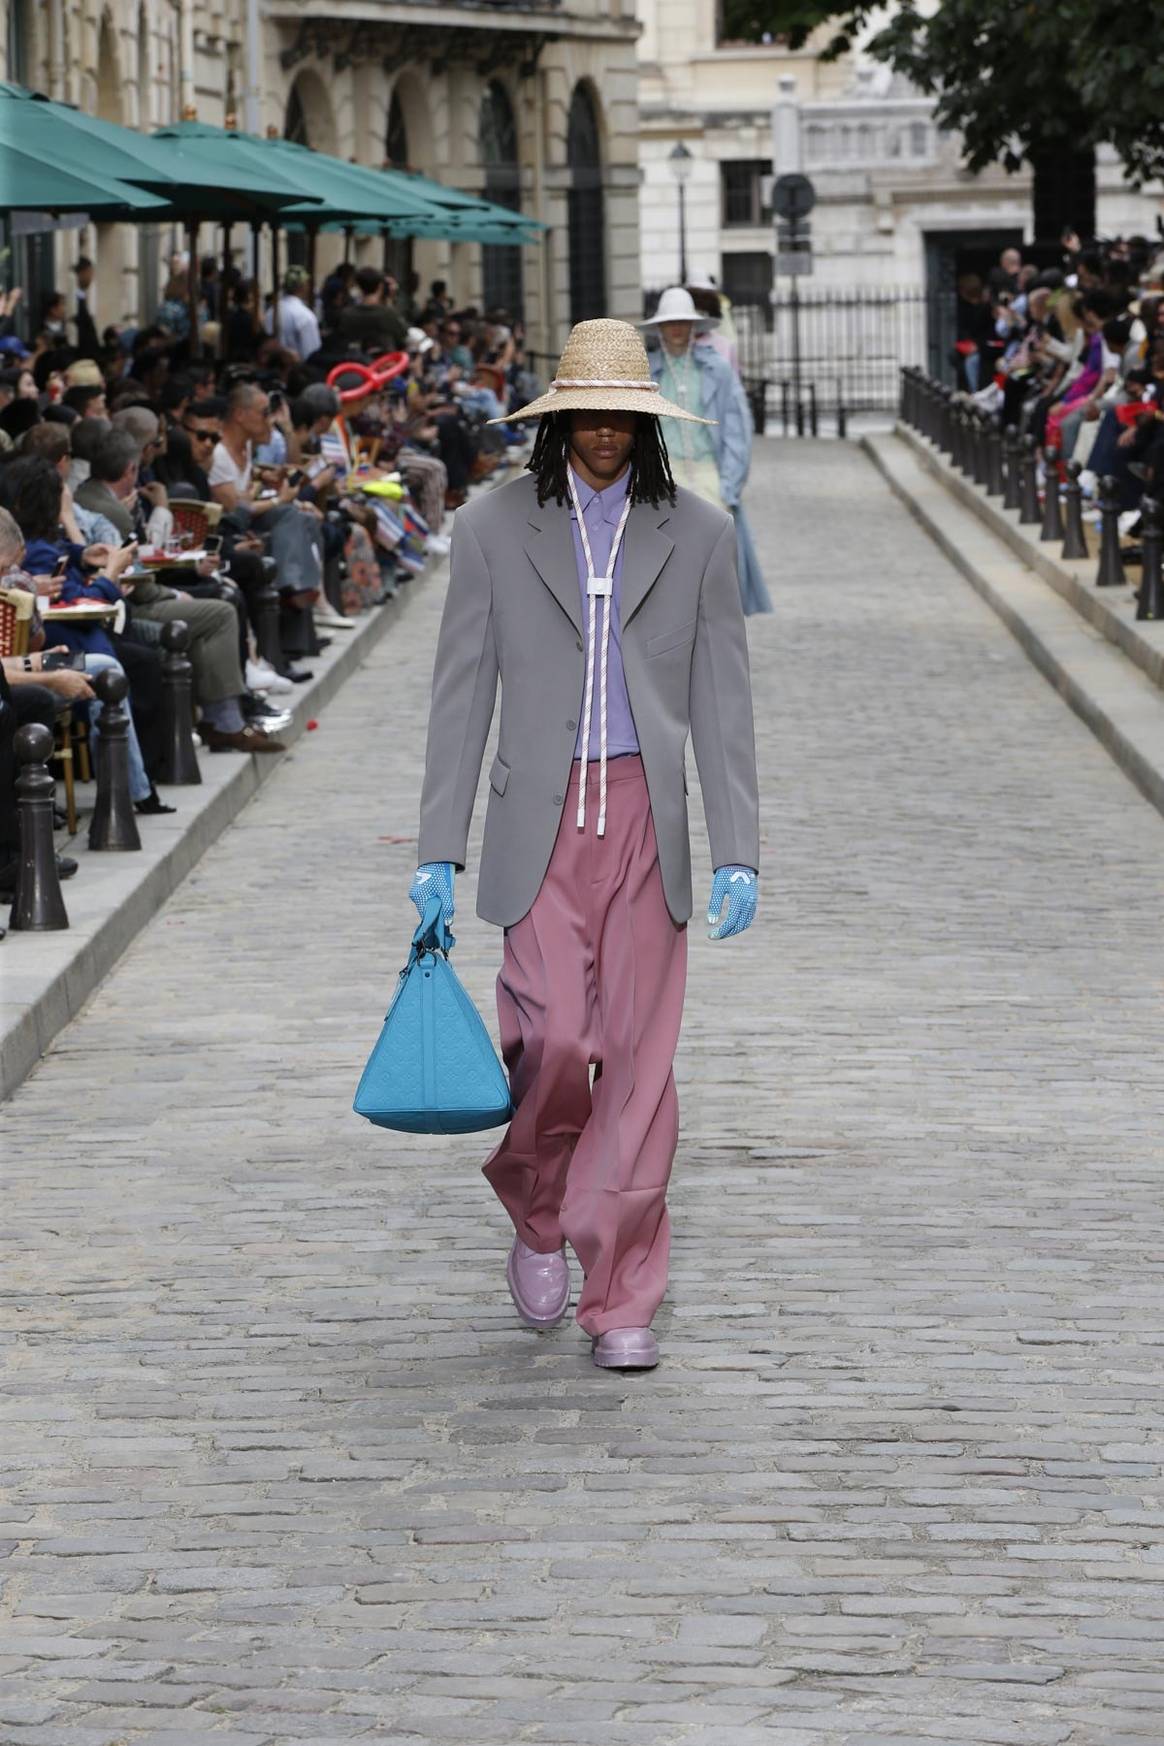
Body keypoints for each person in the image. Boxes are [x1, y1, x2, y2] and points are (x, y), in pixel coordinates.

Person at [409, 317, 760, 1371]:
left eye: (622, 415)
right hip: (539, 821)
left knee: (643, 1072)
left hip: (648, 824)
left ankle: (622, 1298)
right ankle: (535, 1203)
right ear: (556, 416)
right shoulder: (489, 528)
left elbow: (723, 697)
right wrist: (440, 845)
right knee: (555, 1043)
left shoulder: (696, 533)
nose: (604, 432)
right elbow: (462, 690)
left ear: (646, 421)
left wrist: (738, 842)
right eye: (587, 414)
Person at [643, 287, 771, 615]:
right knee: (668, 557)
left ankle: (711, 621)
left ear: (694, 326)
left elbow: (736, 429)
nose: (676, 329)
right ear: (659, 326)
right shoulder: (646, 374)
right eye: (670, 322)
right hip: (665, 474)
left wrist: (729, 484)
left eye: (683, 322)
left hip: (707, 472)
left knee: (715, 557)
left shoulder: (716, 369)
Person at [336, 268, 407, 356]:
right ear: (380, 286)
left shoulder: (346, 314)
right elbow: (403, 334)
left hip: (353, 363)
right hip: (383, 364)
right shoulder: (387, 314)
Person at [265, 266, 322, 362]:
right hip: (297, 372)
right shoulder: (305, 316)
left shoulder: (271, 312)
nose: (309, 287)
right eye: (307, 284)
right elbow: (312, 353)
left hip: (272, 370)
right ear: (302, 286)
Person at [72, 257, 100, 357]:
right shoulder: (74, 300)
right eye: (90, 273)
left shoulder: (81, 296)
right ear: (81, 273)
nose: (91, 278)